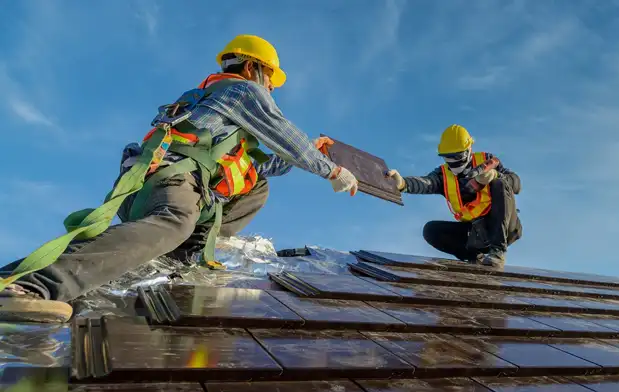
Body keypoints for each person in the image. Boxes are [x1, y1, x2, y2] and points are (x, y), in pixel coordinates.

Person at [0, 34, 358, 323]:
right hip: (171, 182)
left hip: (155, 185)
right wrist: (332, 169)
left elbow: (262, 168)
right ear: (252, 68)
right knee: (174, 222)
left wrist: (310, 151)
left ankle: (181, 254)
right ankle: (32, 286)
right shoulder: (243, 91)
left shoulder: (215, 114)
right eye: (271, 81)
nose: (272, 91)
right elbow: (282, 132)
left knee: (255, 187)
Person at [386, 124, 522, 268]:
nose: (453, 162)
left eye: (457, 156)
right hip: (477, 234)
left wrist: (496, 175)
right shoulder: (443, 175)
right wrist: (403, 183)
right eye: (448, 158)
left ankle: (498, 252)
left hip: (505, 228)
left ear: (469, 150)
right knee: (431, 231)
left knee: (500, 183)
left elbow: (516, 184)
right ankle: (475, 258)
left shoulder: (486, 160)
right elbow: (426, 183)